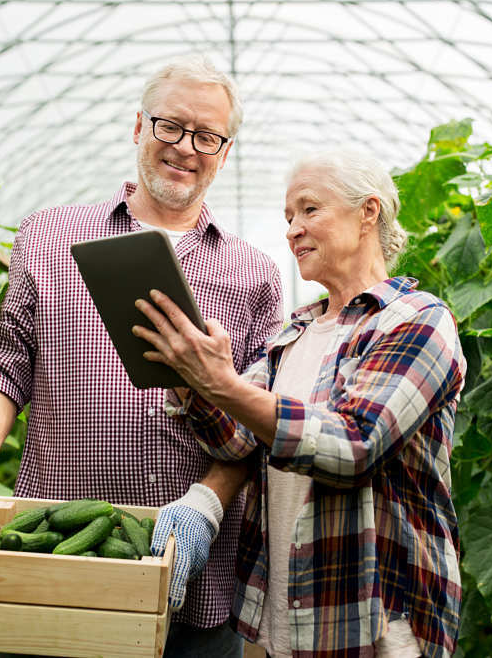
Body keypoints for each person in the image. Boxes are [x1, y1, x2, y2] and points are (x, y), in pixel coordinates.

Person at [0, 55, 283, 658]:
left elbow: (262, 419)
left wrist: (205, 504)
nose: (185, 148)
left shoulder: (254, 273)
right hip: (56, 562)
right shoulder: (49, 235)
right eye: (170, 126)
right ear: (139, 126)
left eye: (207, 136)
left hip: (194, 587)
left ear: (225, 152)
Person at [134, 149, 466, 657]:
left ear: (368, 213)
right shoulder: (293, 332)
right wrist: (187, 376)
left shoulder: (416, 320)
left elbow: (353, 447)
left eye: (309, 210)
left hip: (374, 624)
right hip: (280, 618)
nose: (292, 229)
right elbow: (235, 439)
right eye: (288, 217)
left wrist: (221, 383)